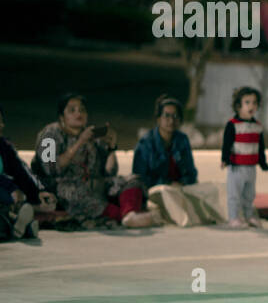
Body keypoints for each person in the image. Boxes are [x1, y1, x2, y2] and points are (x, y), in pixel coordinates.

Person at [31, 93, 156, 229]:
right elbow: (49, 169)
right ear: (62, 117)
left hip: (91, 185)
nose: (78, 113)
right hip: (60, 188)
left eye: (82, 110)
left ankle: (129, 214)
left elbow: (109, 172)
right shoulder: (49, 135)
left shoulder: (92, 135)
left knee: (132, 179)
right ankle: (122, 216)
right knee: (75, 192)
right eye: (72, 110)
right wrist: (80, 142)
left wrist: (110, 148)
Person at [132, 95, 222, 227]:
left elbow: (191, 172)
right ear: (158, 119)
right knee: (167, 194)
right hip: (157, 190)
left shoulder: (182, 140)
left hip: (180, 189)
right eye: (166, 116)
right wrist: (168, 184)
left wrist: (183, 183)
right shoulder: (146, 143)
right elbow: (140, 178)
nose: (171, 120)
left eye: (175, 116)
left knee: (214, 189)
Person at [0, 103, 55, 240]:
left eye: (1, 121)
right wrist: (12, 188)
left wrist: (38, 191)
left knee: (45, 205)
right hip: (5, 192)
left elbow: (22, 171)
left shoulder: (4, 146)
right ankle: (18, 223)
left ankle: (17, 222)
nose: (1, 126)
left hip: (7, 192)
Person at [221, 87, 268, 229]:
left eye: (254, 103)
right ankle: (233, 217)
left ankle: (248, 215)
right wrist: (225, 158)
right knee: (234, 194)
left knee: (249, 194)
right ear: (238, 106)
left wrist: (263, 162)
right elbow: (227, 144)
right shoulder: (233, 125)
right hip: (236, 167)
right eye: (247, 102)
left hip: (251, 167)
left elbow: (260, 147)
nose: (252, 106)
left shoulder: (257, 126)